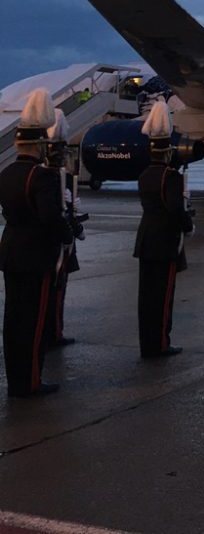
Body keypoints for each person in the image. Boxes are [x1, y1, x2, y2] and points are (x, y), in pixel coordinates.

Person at [1, 89, 73, 397]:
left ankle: (16, 379)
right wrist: (68, 234)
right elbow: (50, 218)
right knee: (33, 321)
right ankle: (30, 381)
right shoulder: (41, 177)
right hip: (36, 255)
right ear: (40, 144)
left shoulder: (6, 173)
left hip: (11, 251)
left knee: (13, 319)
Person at [134, 99, 193, 359]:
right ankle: (160, 343)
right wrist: (188, 224)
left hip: (146, 239)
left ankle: (148, 342)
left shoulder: (145, 174)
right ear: (168, 150)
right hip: (165, 241)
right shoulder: (171, 177)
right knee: (163, 296)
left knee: (146, 297)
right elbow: (174, 208)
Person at [44, 108, 86, 348]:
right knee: (56, 291)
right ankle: (54, 333)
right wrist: (73, 230)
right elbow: (57, 214)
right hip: (54, 246)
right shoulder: (52, 178)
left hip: (42, 247)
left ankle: (51, 331)